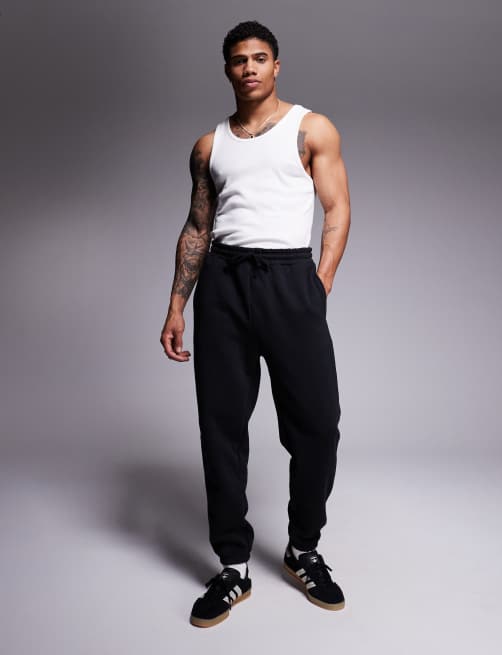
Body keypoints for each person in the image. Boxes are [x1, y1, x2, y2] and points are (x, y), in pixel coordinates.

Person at [160, 20, 351, 628]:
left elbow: (337, 208)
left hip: (289, 279)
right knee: (221, 428)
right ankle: (233, 565)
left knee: (317, 425)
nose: (249, 68)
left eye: (260, 58)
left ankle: (303, 549)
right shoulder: (209, 146)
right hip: (223, 284)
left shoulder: (311, 129)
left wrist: (318, 283)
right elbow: (197, 226)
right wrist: (176, 305)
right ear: (227, 69)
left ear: (276, 66)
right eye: (239, 59)